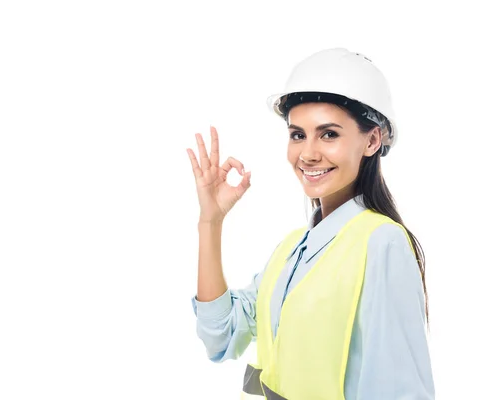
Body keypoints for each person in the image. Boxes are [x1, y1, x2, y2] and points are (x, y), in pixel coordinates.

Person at [186, 48, 435, 399]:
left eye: (329, 134)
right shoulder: (293, 249)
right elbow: (221, 336)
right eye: (298, 134)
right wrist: (210, 222)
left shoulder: (382, 243)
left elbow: (398, 390)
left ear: (372, 140)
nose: (307, 153)